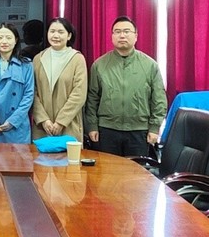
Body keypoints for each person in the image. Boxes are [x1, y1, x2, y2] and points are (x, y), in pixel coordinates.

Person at [85, 16, 167, 156]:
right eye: (117, 32)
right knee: (108, 169)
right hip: (107, 130)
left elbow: (159, 99)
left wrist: (154, 127)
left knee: (136, 169)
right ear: (112, 36)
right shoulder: (99, 65)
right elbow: (92, 99)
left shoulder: (150, 65)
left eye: (126, 31)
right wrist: (92, 126)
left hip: (139, 131)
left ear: (136, 36)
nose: (122, 35)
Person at [31, 17, 87, 142]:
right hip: (43, 128)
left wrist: (61, 121)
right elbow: (32, 92)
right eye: (52, 31)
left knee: (68, 154)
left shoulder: (77, 59)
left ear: (69, 36)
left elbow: (79, 93)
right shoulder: (38, 59)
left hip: (68, 125)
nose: (56, 35)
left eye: (61, 32)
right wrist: (43, 120)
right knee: (41, 155)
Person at [0, 23, 34, 143]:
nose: (4, 41)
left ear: (16, 40)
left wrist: (13, 121)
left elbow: (28, 96)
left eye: (8, 38)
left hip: (17, 127)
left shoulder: (26, 65)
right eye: (0, 37)